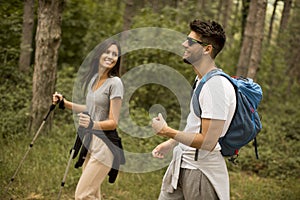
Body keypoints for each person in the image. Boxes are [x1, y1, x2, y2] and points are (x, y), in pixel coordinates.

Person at [152, 20, 235, 200]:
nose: (184, 44)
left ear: (207, 49)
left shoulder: (216, 87)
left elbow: (208, 142)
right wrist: (172, 143)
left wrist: (167, 132)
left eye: (191, 41)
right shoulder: (201, 81)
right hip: (184, 163)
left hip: (201, 172)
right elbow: (195, 126)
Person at [53, 39, 124, 200]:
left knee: (82, 195)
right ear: (99, 54)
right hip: (91, 142)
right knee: (92, 194)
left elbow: (113, 122)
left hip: (105, 146)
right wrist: (64, 103)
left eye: (115, 54)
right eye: (107, 52)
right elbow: (91, 109)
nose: (111, 56)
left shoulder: (115, 83)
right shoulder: (94, 80)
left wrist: (93, 124)